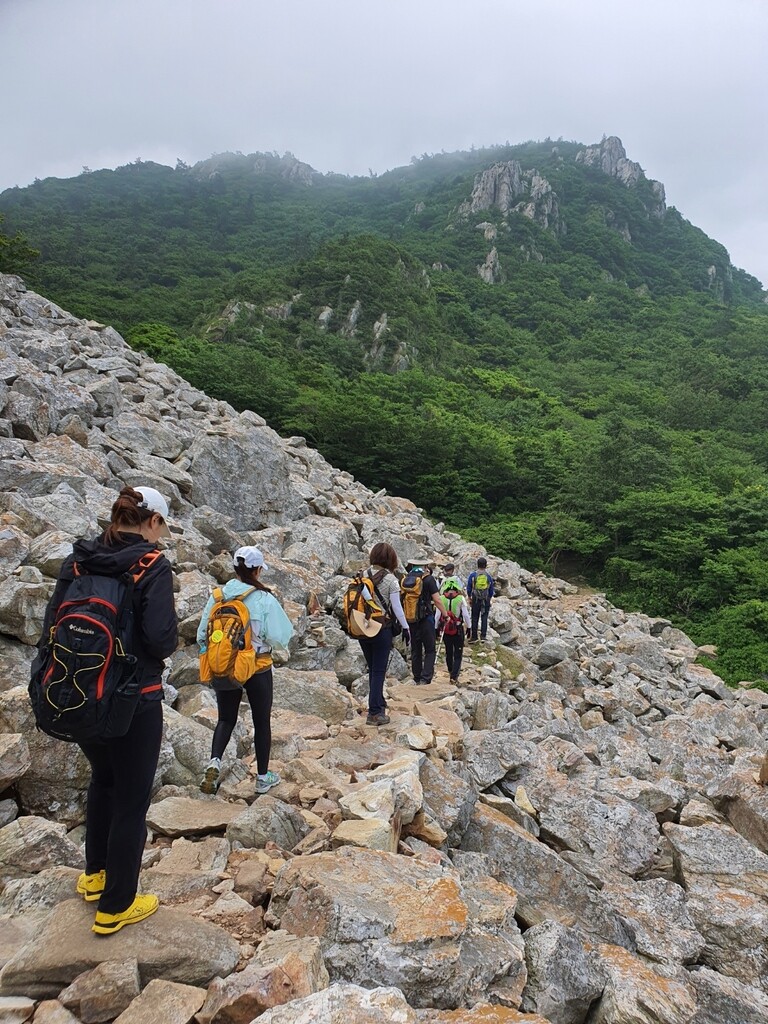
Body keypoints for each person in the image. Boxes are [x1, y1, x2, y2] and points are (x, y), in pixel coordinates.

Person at [35, 485, 178, 935]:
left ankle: (94, 875)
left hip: (78, 691)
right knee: (132, 799)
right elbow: (161, 640)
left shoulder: (77, 560)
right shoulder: (151, 565)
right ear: (152, 521)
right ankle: (116, 905)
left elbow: (51, 624)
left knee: (103, 780)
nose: (161, 537)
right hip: (136, 699)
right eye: (162, 528)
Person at [198, 546, 294, 795]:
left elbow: (201, 635)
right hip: (257, 666)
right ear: (258, 570)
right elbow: (281, 637)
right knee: (261, 722)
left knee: (225, 719)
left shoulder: (217, 596)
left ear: (235, 568)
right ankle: (262, 778)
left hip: (225, 665)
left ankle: (214, 762)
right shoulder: (264, 598)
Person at [355, 542, 410, 726]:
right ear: (390, 559)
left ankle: (378, 702)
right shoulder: (391, 580)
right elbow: (397, 608)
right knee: (379, 671)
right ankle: (375, 713)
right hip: (381, 628)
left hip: (363, 627)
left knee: (373, 669)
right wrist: (406, 628)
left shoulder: (362, 575)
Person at [402, 556, 445, 686]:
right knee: (430, 649)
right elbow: (437, 600)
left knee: (416, 649)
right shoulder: (428, 579)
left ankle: (416, 676)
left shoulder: (406, 580)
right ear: (425, 566)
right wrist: (445, 614)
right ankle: (425, 678)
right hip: (426, 618)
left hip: (411, 618)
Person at [435, 580, 471, 684]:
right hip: (458, 629)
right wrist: (469, 627)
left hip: (446, 629)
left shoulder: (441, 598)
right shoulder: (460, 599)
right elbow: (466, 615)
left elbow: (437, 616)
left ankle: (451, 670)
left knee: (449, 652)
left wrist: (436, 628)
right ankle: (454, 677)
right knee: (458, 654)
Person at [467, 556, 495, 643]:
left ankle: (474, 637)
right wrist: (489, 599)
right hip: (485, 599)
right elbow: (491, 590)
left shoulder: (473, 575)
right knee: (484, 617)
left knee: (474, 617)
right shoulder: (488, 576)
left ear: (477, 565)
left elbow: (469, 588)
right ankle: (483, 636)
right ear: (485, 565)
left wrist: (469, 597)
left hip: (475, 598)